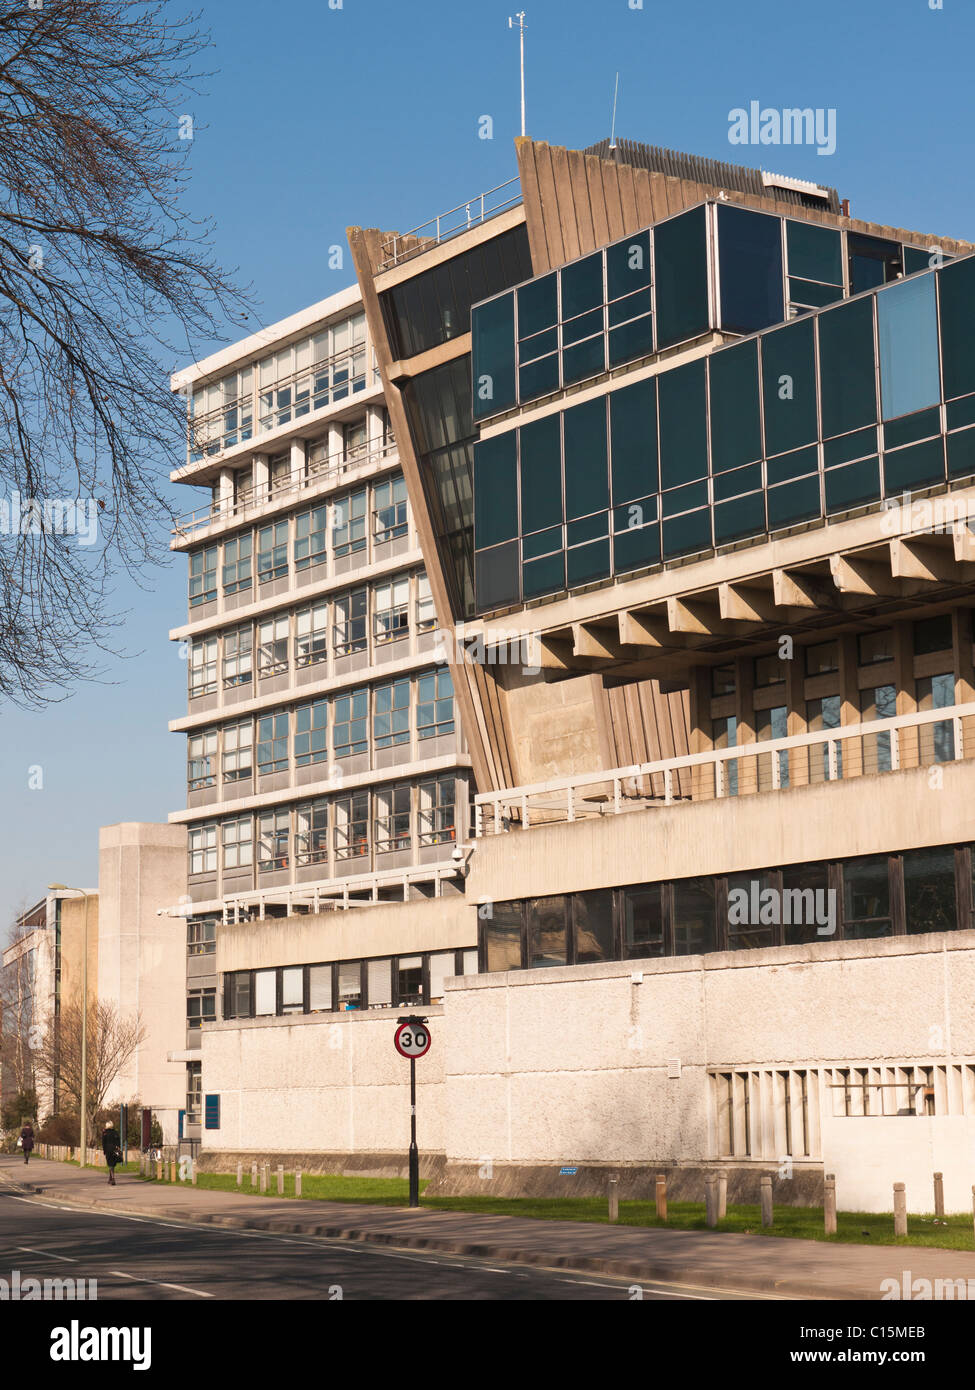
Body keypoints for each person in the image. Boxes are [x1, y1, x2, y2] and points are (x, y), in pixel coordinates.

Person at [102, 1120, 122, 1186]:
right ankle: (110, 1179)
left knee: (110, 1164)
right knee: (112, 1164)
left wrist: (104, 1151)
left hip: (108, 1150)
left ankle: (113, 1178)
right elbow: (118, 1141)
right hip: (115, 1150)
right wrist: (118, 1148)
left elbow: (103, 1143)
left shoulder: (105, 1132)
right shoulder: (115, 1132)